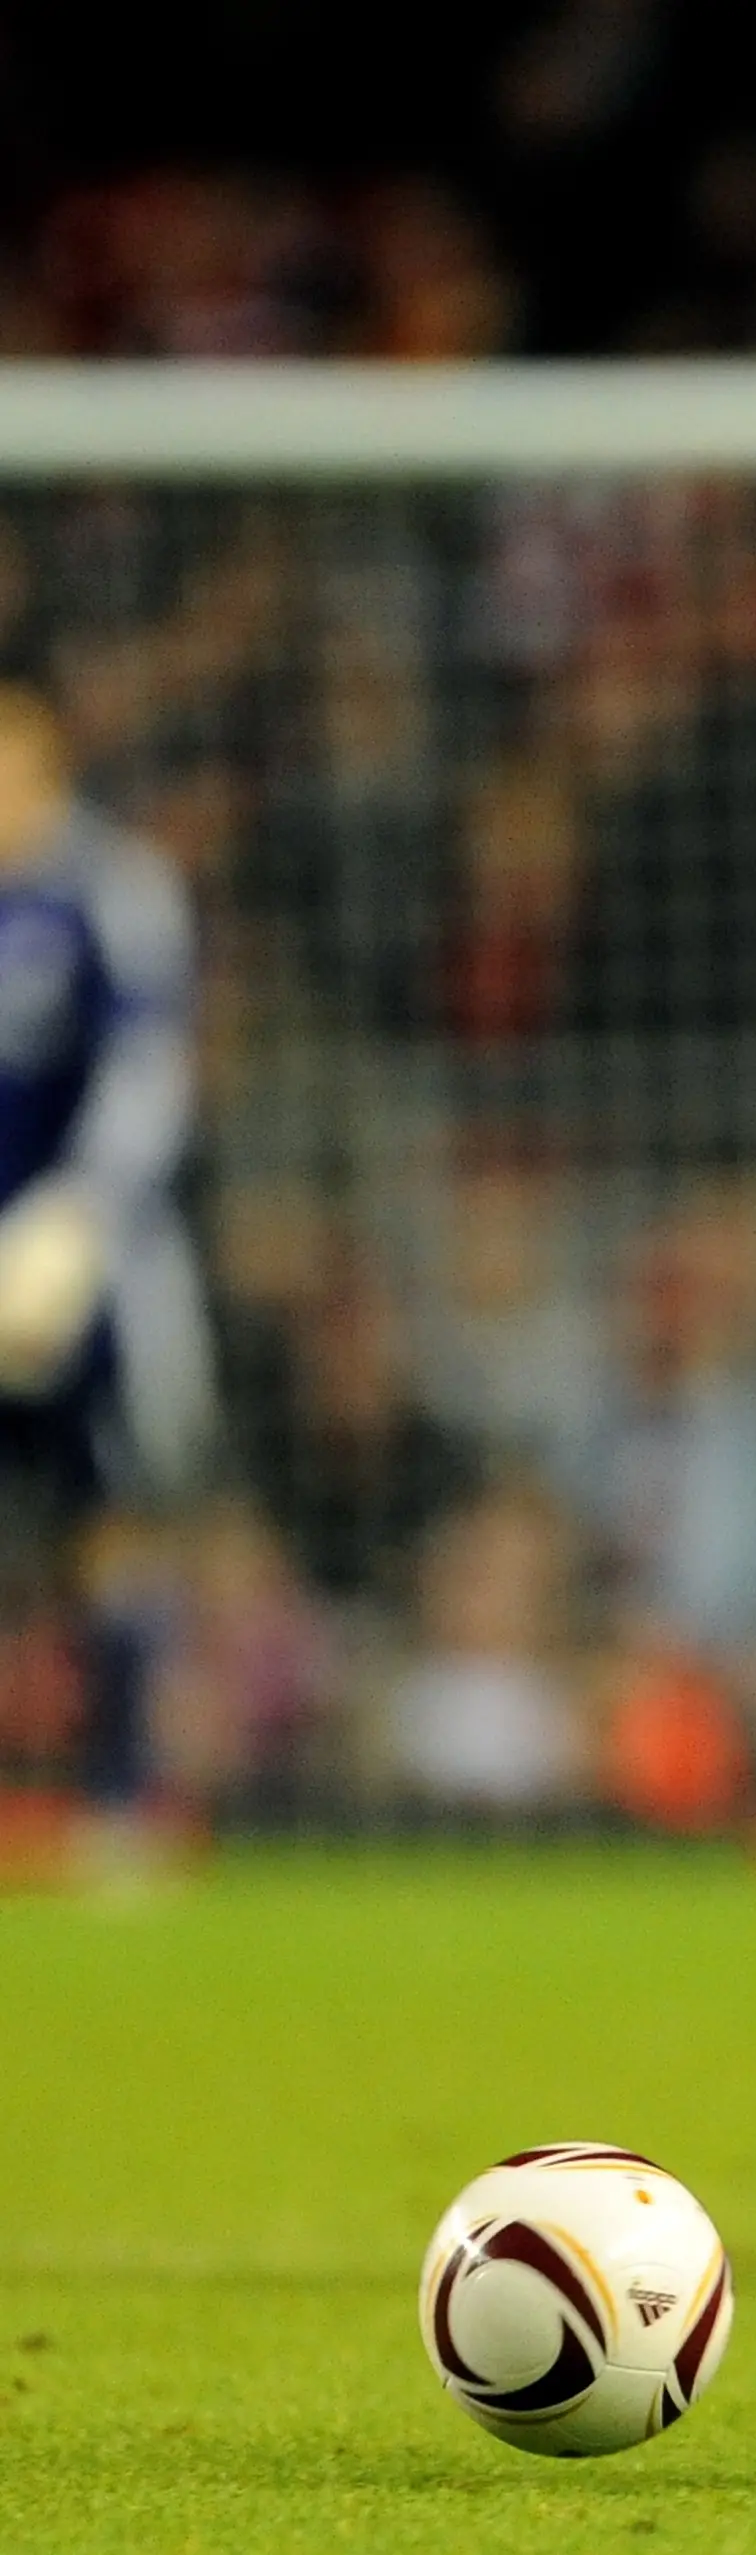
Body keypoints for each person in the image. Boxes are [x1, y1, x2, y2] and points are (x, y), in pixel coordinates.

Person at [0, 688, 212, 1839]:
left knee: (112, 1513)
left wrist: (74, 1221)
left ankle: (122, 1796)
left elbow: (151, 1064)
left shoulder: (112, 888)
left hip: (82, 1266)